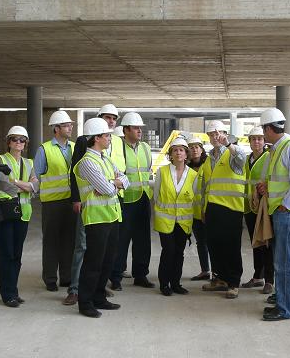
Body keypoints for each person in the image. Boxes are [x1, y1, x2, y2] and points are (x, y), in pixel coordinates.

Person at [63, 104, 124, 306]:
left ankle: (99, 297)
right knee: (93, 263)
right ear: (96, 138)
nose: (109, 138)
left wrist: (114, 183)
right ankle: (86, 303)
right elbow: (107, 189)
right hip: (97, 218)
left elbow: (125, 179)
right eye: (106, 136)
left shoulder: (105, 159)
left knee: (107, 261)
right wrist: (113, 184)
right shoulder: (88, 162)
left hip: (112, 216)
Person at [257, 108, 290, 321]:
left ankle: (286, 308)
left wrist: (285, 205)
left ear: (269, 128)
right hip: (283, 212)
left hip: (288, 212)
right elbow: (285, 180)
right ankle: (283, 301)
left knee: (284, 262)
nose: (263, 134)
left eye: (263, 130)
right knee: (283, 261)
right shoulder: (279, 148)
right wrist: (267, 187)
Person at [201, 120, 247, 299]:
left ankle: (233, 282)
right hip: (213, 207)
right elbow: (207, 186)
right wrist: (204, 209)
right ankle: (220, 278)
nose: (214, 137)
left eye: (217, 133)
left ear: (225, 134)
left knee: (231, 246)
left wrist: (228, 144)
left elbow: (241, 161)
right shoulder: (209, 157)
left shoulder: (233, 151)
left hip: (231, 208)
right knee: (214, 245)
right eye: (211, 134)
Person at [0, 126, 38, 308]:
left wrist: (17, 183)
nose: (18, 142)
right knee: (6, 254)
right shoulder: (0, 159)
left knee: (17, 255)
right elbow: (3, 185)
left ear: (26, 143)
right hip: (5, 213)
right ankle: (7, 294)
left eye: (22, 140)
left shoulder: (29, 163)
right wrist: (24, 185)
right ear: (8, 142)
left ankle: (13, 290)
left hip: (23, 213)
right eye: (14, 139)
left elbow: (36, 186)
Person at [111, 112, 155, 290]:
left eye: (140, 128)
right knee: (121, 240)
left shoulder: (145, 147)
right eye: (136, 128)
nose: (139, 131)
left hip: (144, 198)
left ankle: (141, 274)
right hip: (126, 200)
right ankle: (115, 276)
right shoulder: (118, 148)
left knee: (143, 239)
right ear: (125, 130)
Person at [34, 110, 77, 291]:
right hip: (52, 203)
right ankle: (50, 278)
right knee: (51, 241)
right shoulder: (44, 149)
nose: (70, 127)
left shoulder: (75, 147)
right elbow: (36, 176)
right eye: (67, 125)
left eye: (71, 124)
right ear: (56, 128)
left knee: (70, 241)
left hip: (71, 201)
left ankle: (66, 277)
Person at [154, 138, 198, 296]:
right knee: (168, 250)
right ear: (170, 154)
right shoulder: (162, 171)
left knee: (179, 252)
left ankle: (176, 283)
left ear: (186, 154)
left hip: (183, 221)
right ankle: (164, 283)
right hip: (165, 219)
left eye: (181, 150)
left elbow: (194, 198)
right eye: (175, 150)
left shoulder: (193, 175)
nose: (178, 153)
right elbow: (156, 195)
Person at [241, 126, 274, 295]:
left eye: (260, 139)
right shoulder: (247, 159)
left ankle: (269, 280)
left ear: (264, 141)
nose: (257, 142)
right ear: (249, 141)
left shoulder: (269, 157)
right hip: (249, 206)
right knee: (256, 243)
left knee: (266, 242)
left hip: (263, 206)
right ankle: (257, 276)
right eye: (253, 139)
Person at [187, 136, 211, 281]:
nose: (194, 150)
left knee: (212, 242)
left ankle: (217, 273)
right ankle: (205, 270)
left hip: (208, 210)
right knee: (201, 242)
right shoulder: (185, 167)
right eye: (191, 147)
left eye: (197, 147)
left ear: (202, 149)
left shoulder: (208, 164)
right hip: (193, 213)